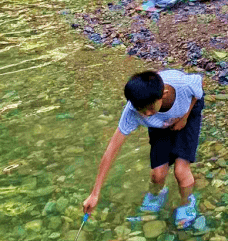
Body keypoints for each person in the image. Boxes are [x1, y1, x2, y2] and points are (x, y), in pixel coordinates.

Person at [83, 69, 205, 228]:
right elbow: (111, 150)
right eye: (142, 110)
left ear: (164, 94)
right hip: (160, 125)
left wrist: (185, 117)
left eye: (150, 108)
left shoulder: (183, 85)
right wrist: (94, 193)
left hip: (186, 114)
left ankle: (187, 203)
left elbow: (199, 87)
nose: (146, 114)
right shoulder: (134, 111)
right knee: (157, 175)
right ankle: (156, 196)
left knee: (181, 171)